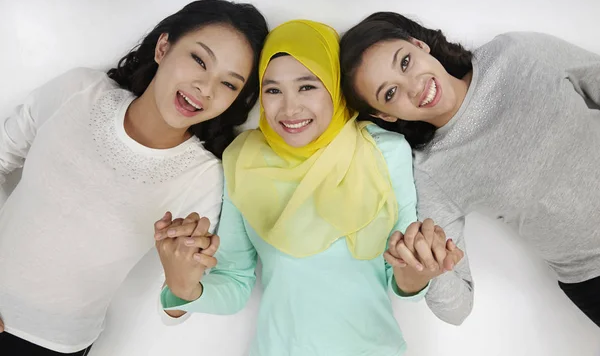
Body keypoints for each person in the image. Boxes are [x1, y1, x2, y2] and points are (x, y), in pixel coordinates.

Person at [154, 19, 464, 356]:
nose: (289, 108)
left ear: (334, 86)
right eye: (272, 90)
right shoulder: (243, 159)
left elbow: (400, 272)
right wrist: (181, 287)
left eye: (307, 87)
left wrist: (418, 269)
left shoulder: (385, 150)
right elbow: (234, 280)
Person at [0, 0, 268, 354]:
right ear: (163, 47)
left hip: (54, 344)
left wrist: (182, 283)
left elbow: (174, 303)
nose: (205, 88)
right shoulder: (78, 91)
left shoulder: (203, 177)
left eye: (229, 84)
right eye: (199, 60)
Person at [339, 11, 600, 327]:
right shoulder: (432, 171)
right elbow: (456, 309)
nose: (414, 87)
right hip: (593, 273)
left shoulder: (517, 53)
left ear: (419, 45)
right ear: (386, 115)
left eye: (405, 62)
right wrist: (420, 274)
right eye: (390, 93)